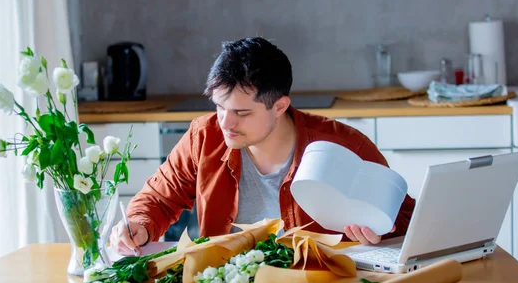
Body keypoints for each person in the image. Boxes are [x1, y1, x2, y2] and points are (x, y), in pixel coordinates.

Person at [110, 37, 416, 255]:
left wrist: (381, 233)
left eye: (242, 113)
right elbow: (159, 199)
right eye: (219, 107)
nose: (226, 123)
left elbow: (405, 219)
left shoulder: (346, 145)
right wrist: (139, 225)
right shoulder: (202, 137)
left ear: (280, 106)